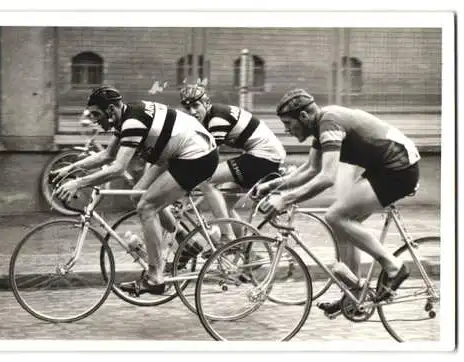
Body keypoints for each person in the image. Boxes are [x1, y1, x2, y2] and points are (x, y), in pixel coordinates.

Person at [255, 88, 421, 315]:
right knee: (343, 227)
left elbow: (326, 177)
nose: (286, 130)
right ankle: (353, 297)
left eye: (288, 123)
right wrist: (272, 186)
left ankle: (394, 267)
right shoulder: (320, 126)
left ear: (303, 117)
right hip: (383, 167)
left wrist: (285, 199)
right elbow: (310, 169)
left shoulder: (329, 122)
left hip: (399, 168)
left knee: (336, 216)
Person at [52, 86, 218, 295]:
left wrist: (78, 183)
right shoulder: (125, 118)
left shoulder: (132, 122)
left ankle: (155, 277)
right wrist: (69, 169)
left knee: (147, 207)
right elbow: (106, 156)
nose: (94, 120)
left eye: (97, 114)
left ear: (111, 110)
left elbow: (118, 168)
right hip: (177, 152)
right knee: (137, 194)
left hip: (197, 156)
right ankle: (186, 242)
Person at [179, 84, 286, 239]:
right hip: (261, 155)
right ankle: (243, 250)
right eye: (187, 109)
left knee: (205, 181)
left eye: (196, 106)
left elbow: (208, 159)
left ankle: (226, 235)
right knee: (225, 204)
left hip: (264, 156)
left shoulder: (217, 119)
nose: (193, 112)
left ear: (207, 103)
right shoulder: (208, 119)